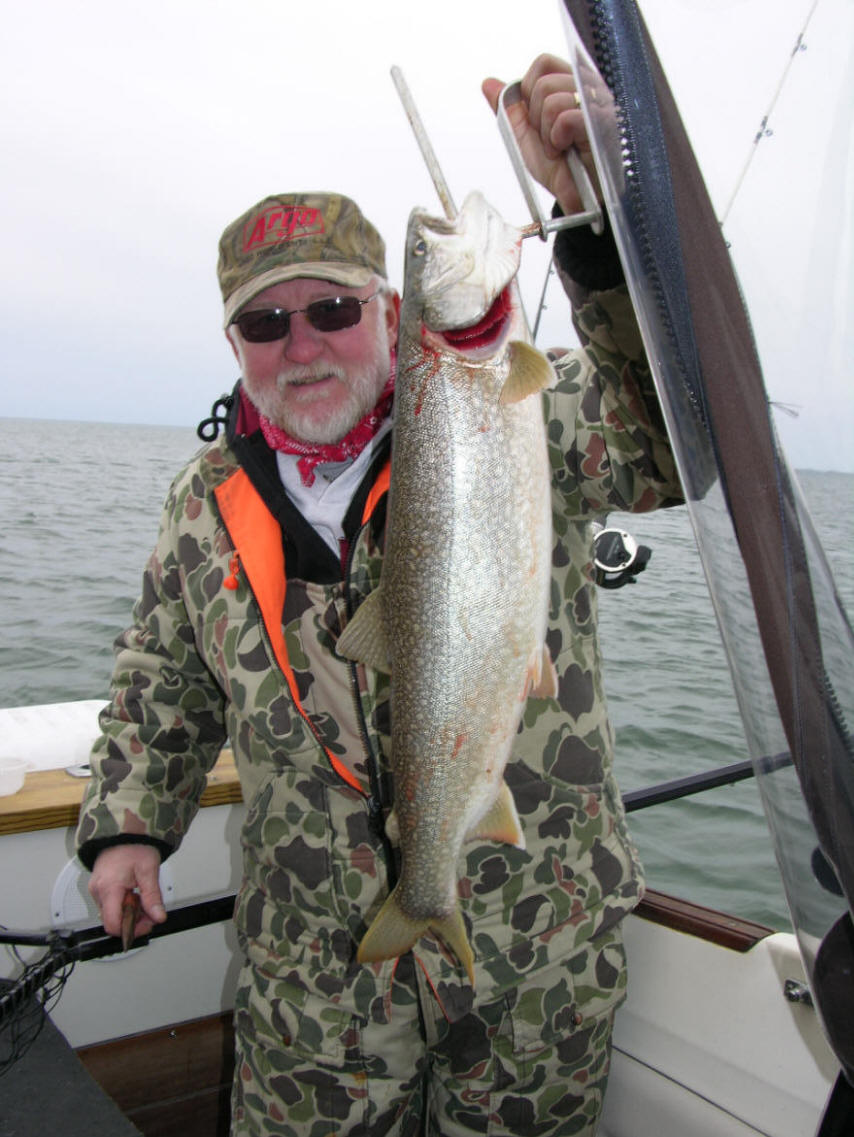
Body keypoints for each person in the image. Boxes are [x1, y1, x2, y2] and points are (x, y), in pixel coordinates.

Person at [76, 54, 682, 1136]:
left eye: (331, 308)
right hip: (313, 980)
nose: (302, 346)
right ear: (233, 344)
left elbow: (667, 443)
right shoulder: (205, 501)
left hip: (533, 950)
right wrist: (128, 826)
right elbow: (163, 678)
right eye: (266, 324)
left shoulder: (517, 407)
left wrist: (594, 220)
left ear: (393, 309)